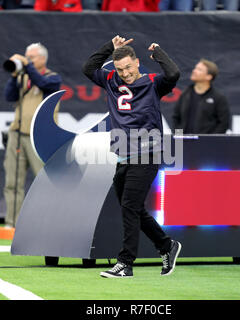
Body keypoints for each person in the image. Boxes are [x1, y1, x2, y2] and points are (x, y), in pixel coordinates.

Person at [82, 35, 182, 278]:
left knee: (129, 206)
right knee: (133, 209)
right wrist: (110, 47)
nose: (125, 73)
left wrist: (158, 53)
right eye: (120, 68)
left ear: (137, 62)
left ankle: (125, 263)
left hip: (147, 152)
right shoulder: (110, 79)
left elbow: (173, 74)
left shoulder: (152, 83)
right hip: (122, 155)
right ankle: (166, 245)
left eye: (128, 67)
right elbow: (88, 68)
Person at [3, 43, 62, 228]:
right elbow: (9, 97)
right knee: (12, 181)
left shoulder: (53, 78)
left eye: (32, 57)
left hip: (41, 137)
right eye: (26, 56)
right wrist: (14, 76)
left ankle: (45, 222)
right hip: (17, 134)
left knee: (44, 182)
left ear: (43, 59)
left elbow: (43, 84)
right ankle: (12, 222)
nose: (28, 60)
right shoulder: (23, 77)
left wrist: (26, 65)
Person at [173, 58, 231, 134]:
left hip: (206, 144)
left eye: (199, 69)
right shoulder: (185, 94)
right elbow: (176, 118)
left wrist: (210, 140)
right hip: (184, 142)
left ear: (209, 77)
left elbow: (223, 124)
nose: (194, 71)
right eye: (195, 68)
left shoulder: (219, 98)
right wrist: (179, 137)